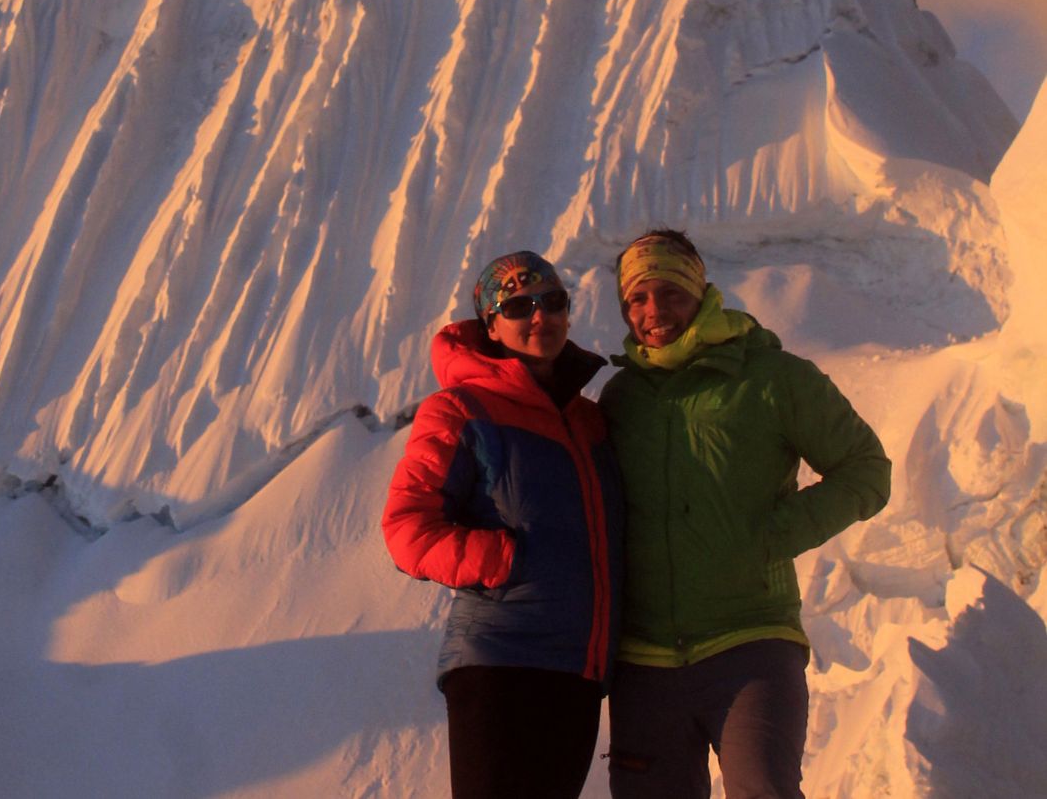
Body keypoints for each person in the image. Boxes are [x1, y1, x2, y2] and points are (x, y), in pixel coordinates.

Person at [600, 229, 891, 799]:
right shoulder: (621, 398)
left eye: (671, 293)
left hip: (750, 642)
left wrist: (772, 537)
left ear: (702, 293)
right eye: (637, 297)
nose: (654, 311)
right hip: (644, 661)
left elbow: (866, 469)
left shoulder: (773, 378)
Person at [382, 251, 623, 799]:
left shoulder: (589, 420)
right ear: (491, 325)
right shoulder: (460, 408)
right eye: (519, 306)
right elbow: (407, 529)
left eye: (553, 301)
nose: (541, 316)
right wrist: (502, 561)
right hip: (500, 661)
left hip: (578, 669)